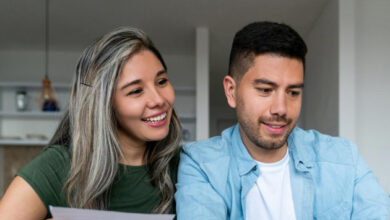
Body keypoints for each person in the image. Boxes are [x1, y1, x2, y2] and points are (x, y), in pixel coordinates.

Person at [175, 21, 390, 220]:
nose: (281, 109)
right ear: (231, 91)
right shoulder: (200, 163)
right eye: (265, 90)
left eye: (293, 92)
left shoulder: (344, 158)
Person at [0, 27, 182, 219]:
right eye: (136, 91)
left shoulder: (188, 166)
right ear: (102, 105)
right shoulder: (58, 168)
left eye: (161, 81)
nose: (159, 100)